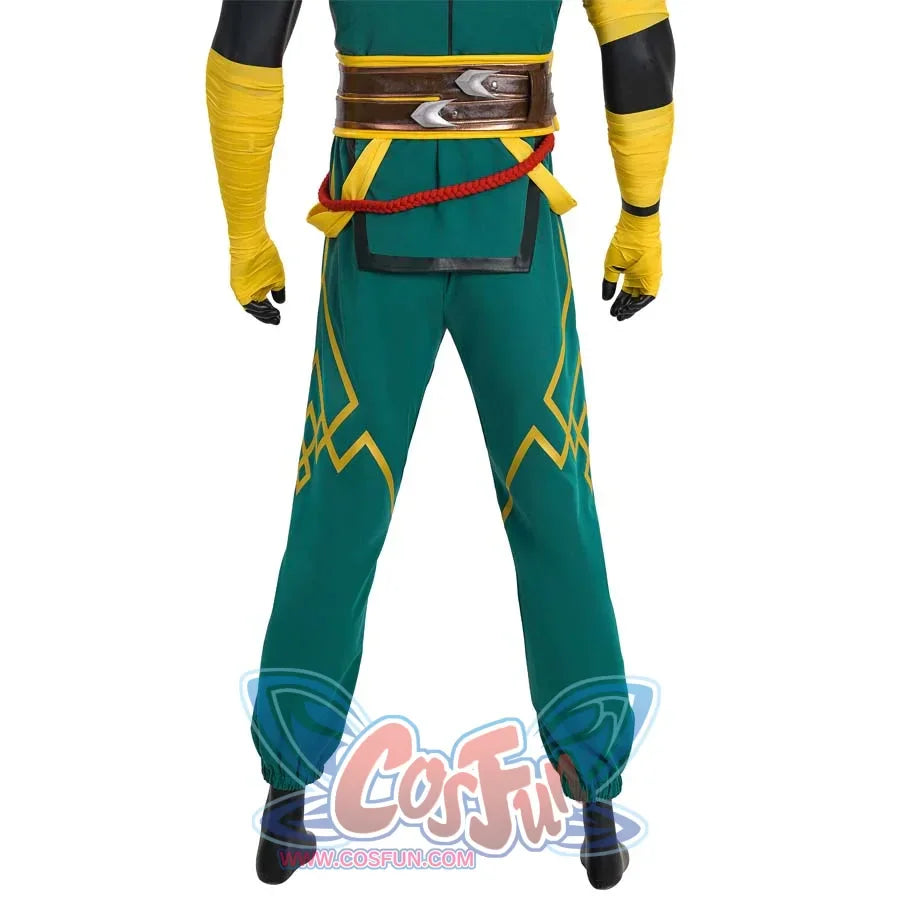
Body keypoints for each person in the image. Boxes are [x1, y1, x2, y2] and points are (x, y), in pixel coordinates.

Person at [206, 0, 675, 888]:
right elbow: (640, 45)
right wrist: (643, 212)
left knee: (338, 504)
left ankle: (285, 796)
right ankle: (597, 797)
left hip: (376, 223)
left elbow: (245, 52)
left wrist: (245, 231)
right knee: (554, 501)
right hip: (514, 222)